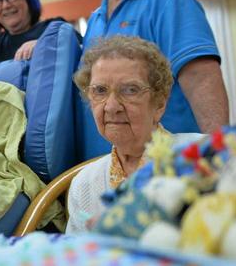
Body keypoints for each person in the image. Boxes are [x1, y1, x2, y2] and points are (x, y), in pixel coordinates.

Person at [77, 0, 228, 158]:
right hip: (108, 169)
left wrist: (218, 154)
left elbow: (201, 78)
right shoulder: (95, 17)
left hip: (168, 163)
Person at [66, 35, 204, 233]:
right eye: (100, 90)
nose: (112, 106)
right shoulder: (84, 184)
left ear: (159, 104)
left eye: (130, 90)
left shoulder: (201, 157)